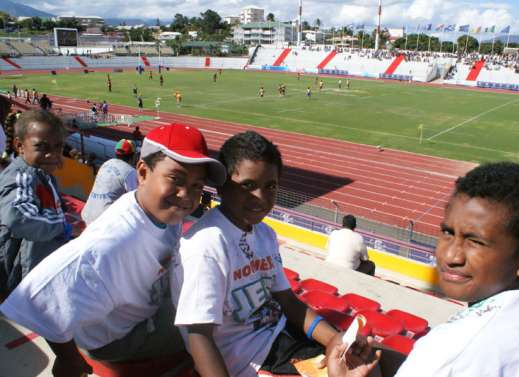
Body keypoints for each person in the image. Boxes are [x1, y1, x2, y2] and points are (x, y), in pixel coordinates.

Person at [0, 123, 227, 377]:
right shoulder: (112, 240)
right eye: (176, 179)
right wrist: (68, 360)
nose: (186, 195)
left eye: (197, 186)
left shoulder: (162, 213)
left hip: (136, 311)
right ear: (142, 172)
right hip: (120, 337)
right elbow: (36, 301)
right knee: (219, 317)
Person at [327, 162, 519, 377]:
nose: (451, 255)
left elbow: (447, 361)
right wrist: (381, 352)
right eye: (448, 233)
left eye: (476, 241)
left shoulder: (453, 347)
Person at [173, 131, 342, 377]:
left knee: (377, 357)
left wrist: (335, 340)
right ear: (222, 187)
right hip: (252, 360)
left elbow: (287, 300)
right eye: (248, 186)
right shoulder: (207, 246)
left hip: (283, 336)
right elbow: (199, 334)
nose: (260, 198)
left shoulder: (265, 234)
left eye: (270, 186)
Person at [0, 110, 71, 296]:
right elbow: (18, 216)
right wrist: (62, 227)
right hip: (22, 279)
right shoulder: (22, 176)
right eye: (41, 147)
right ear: (19, 146)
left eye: (58, 147)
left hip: (40, 269)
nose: (52, 155)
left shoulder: (44, 175)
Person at [81, 139, 138, 225]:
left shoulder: (106, 164)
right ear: (133, 156)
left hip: (86, 215)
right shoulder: (130, 172)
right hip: (103, 222)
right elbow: (137, 201)